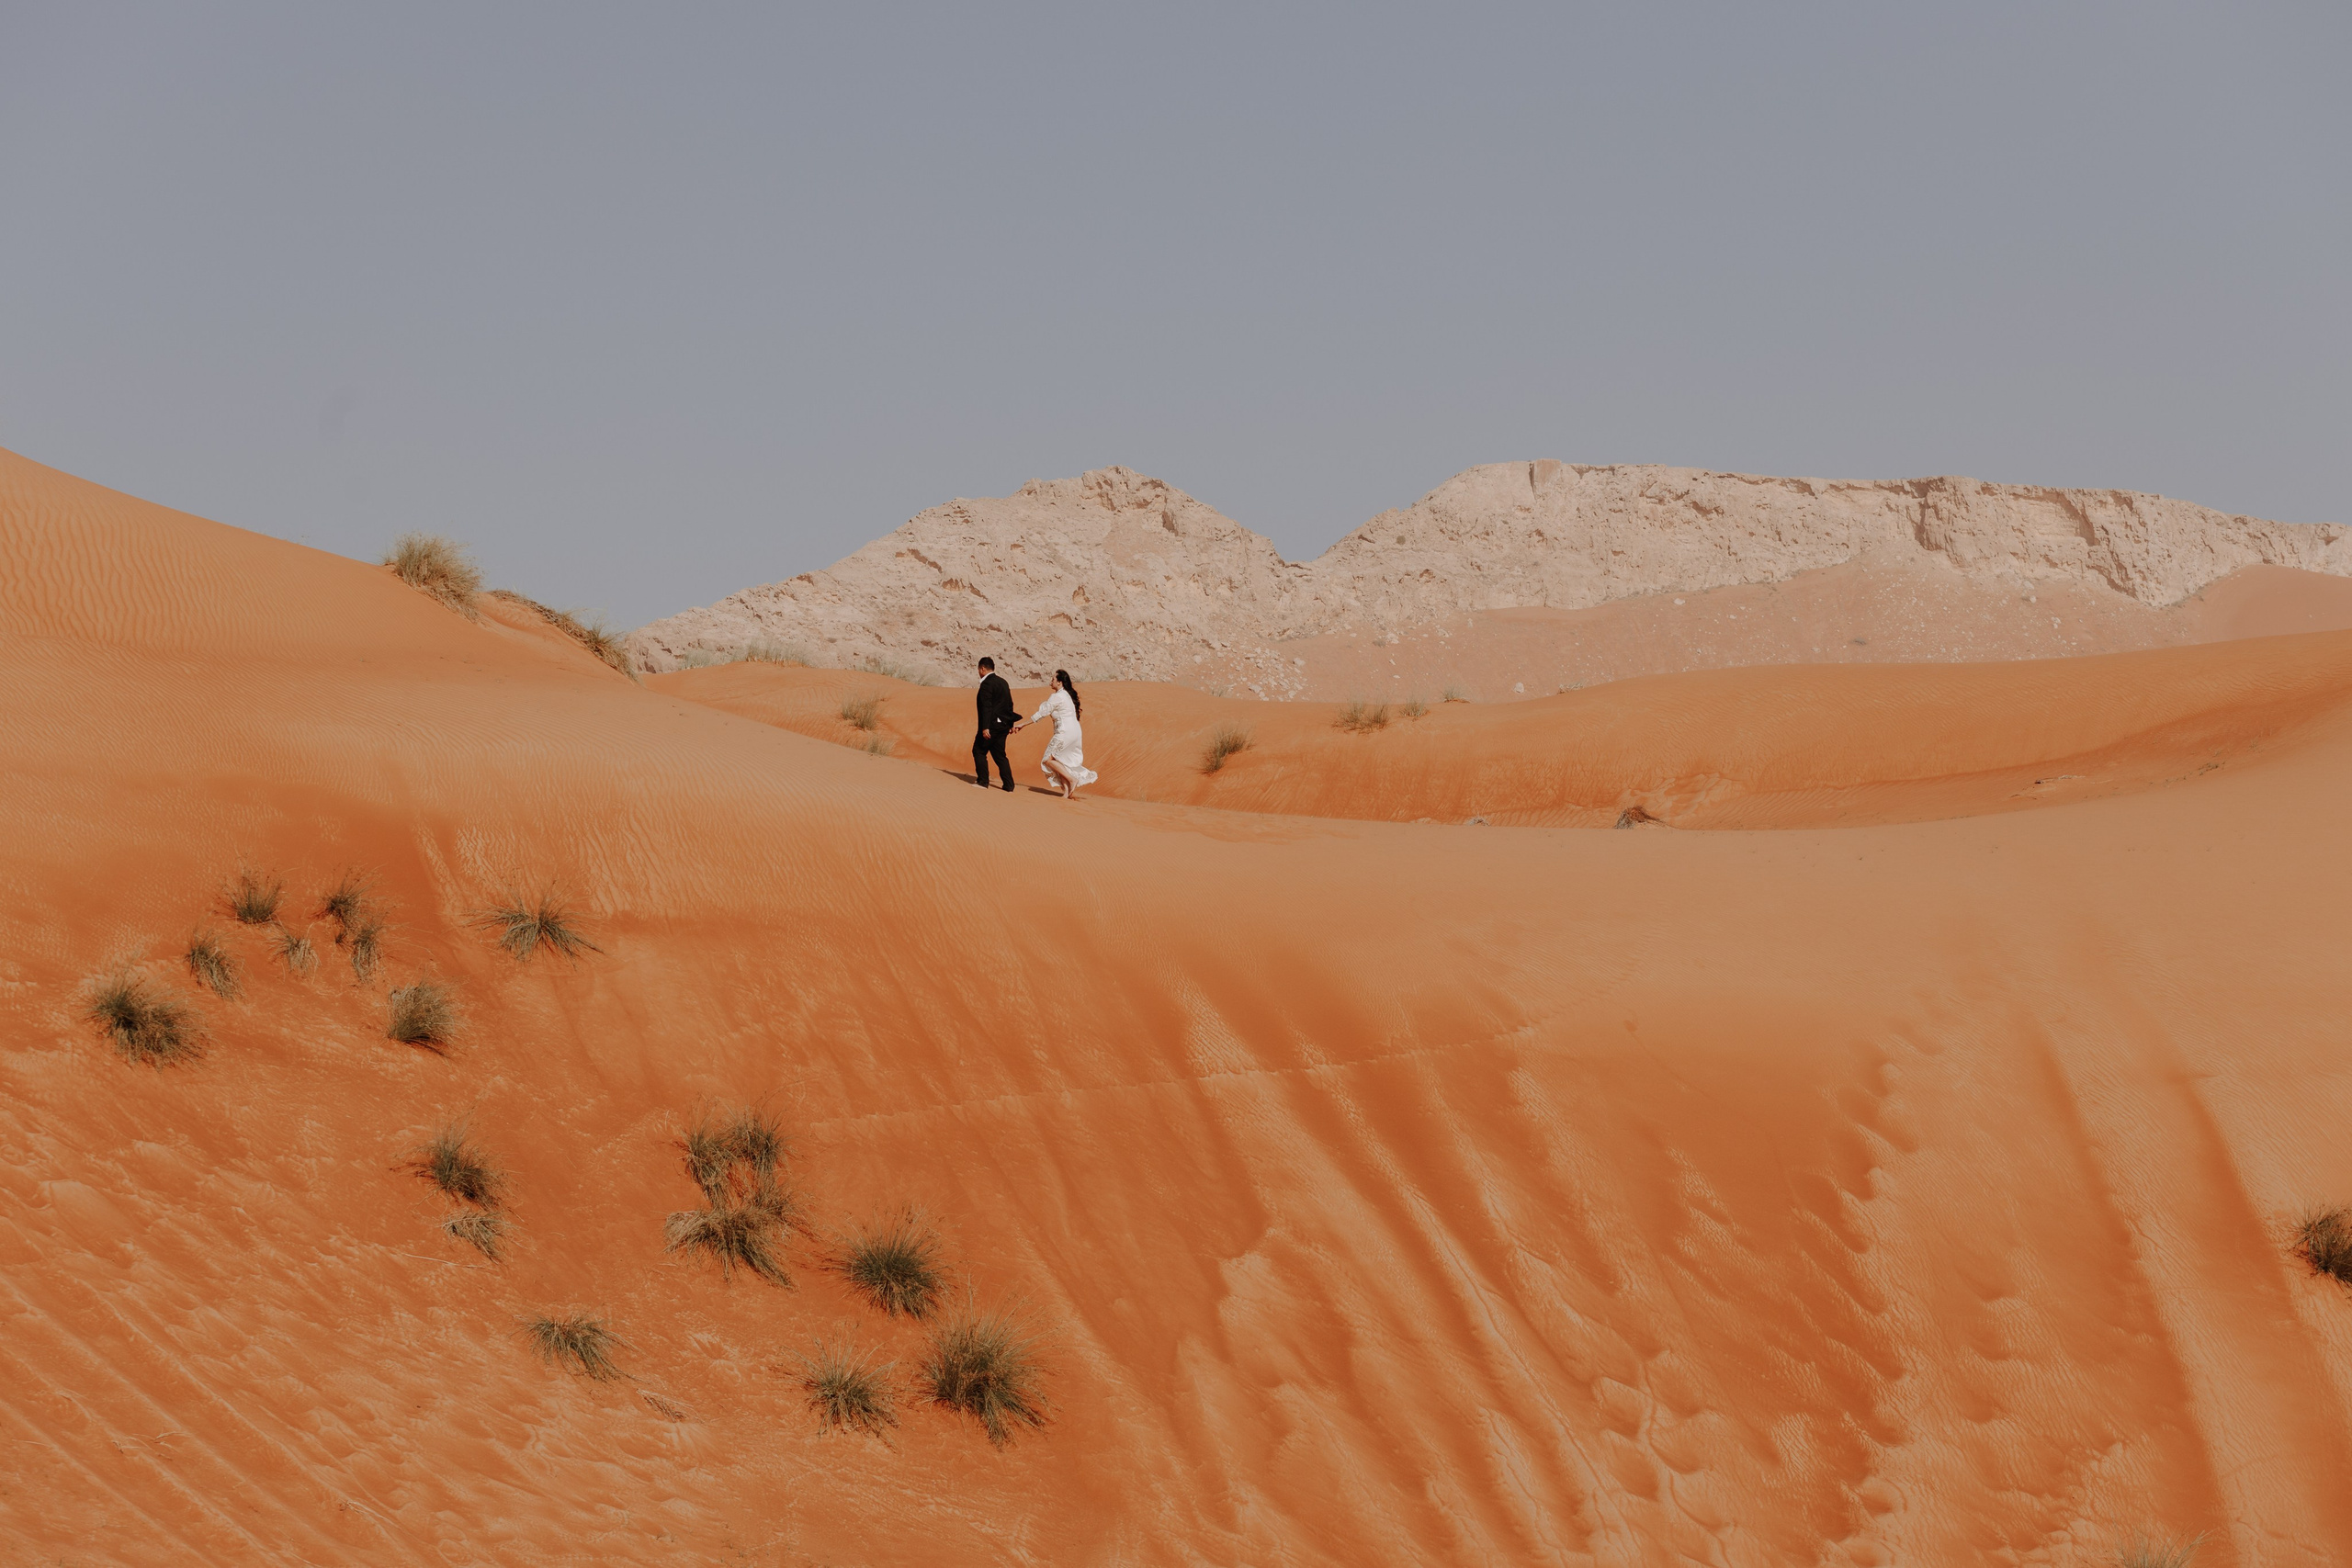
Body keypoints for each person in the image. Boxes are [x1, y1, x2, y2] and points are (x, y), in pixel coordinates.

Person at [1012, 668, 1097, 799]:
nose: (1050, 681)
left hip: (1065, 732)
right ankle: (1067, 793)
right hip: (1073, 731)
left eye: (1053, 679)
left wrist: (1023, 724)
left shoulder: (1057, 697)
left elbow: (1042, 713)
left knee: (1047, 759)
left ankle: (1072, 779)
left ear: (1060, 682)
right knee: (1058, 760)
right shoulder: (1066, 695)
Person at [971, 657, 1019, 791]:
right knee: (999, 755)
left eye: (979, 669)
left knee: (978, 751)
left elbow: (986, 706)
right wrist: (1011, 723)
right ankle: (1009, 785)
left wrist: (985, 727)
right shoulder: (1003, 682)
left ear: (982, 669)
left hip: (991, 726)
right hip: (1003, 725)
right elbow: (1009, 704)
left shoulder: (986, 684)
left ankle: (982, 781)